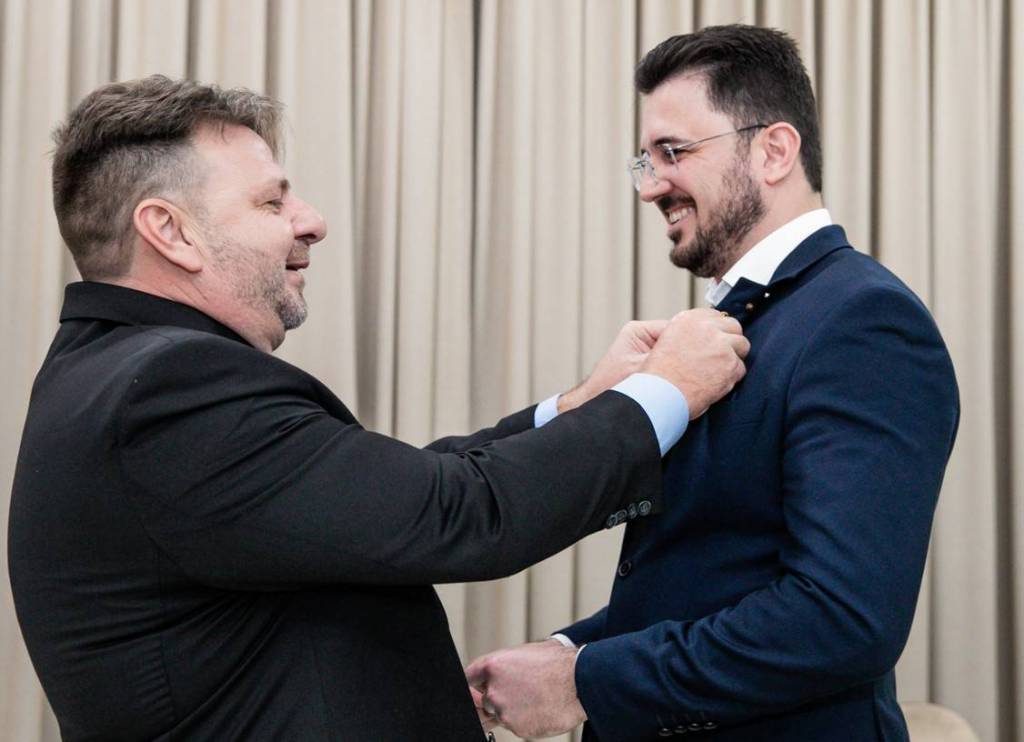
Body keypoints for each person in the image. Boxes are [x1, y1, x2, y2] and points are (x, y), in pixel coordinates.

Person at [6, 76, 750, 741]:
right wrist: (665, 391)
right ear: (170, 231)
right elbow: (453, 512)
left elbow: (383, 499)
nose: (312, 221)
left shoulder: (110, 375)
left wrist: (584, 405)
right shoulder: (170, 388)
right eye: (272, 201)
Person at [466, 24, 960, 742]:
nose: (651, 186)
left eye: (674, 153)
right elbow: (714, 576)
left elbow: (841, 619)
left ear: (774, 151)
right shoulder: (741, 322)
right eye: (645, 161)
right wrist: (570, 651)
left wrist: (583, 683)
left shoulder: (864, 320)